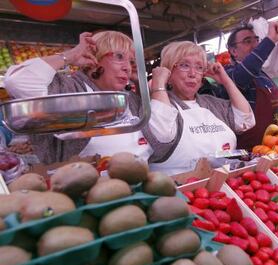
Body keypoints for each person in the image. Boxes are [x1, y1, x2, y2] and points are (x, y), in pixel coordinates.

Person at [4, 31, 152, 164]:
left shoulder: (130, 99)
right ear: (95, 57)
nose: (127, 67)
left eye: (131, 61)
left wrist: (142, 85)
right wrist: (69, 55)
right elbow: (16, 81)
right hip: (85, 188)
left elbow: (160, 146)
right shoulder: (69, 89)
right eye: (119, 57)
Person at [142, 41, 255, 175]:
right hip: (178, 189)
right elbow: (161, 136)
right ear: (168, 73)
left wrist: (226, 80)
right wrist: (159, 83)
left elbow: (246, 121)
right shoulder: (160, 105)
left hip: (222, 185)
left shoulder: (211, 103)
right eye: (184, 65)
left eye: (199, 67)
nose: (192, 73)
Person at [206, 22, 278, 151]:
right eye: (248, 41)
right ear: (233, 51)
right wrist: (270, 40)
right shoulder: (230, 73)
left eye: (256, 40)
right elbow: (244, 74)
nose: (255, 45)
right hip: (250, 153)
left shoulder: (263, 75)